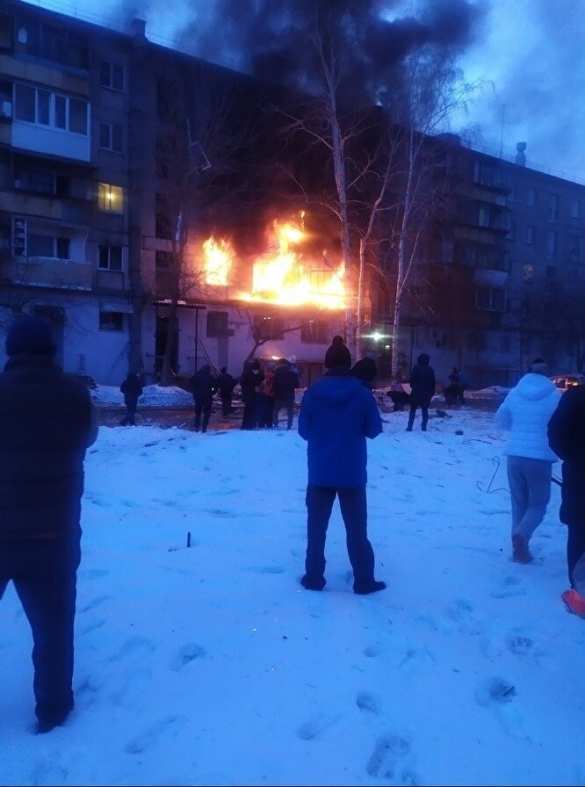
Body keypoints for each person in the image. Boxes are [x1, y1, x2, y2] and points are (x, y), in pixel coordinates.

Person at [0, 315, 98, 733]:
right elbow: (88, 437)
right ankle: (53, 708)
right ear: (51, 351)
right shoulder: (75, 395)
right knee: (54, 628)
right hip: (53, 536)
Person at [298, 336, 386, 595]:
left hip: (320, 472)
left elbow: (304, 431)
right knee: (357, 530)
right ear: (349, 364)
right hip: (352, 473)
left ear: (326, 364)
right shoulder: (361, 393)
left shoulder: (313, 393)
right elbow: (374, 430)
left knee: (316, 529)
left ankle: (314, 577)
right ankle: (364, 580)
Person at [495, 358, 560, 563]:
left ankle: (519, 551)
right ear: (547, 373)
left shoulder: (515, 393)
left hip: (514, 454)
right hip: (540, 457)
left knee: (518, 503)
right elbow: (561, 424)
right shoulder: (555, 396)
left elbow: (501, 419)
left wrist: (516, 430)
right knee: (538, 504)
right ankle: (522, 535)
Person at [548, 381, 585, 616]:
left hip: (580, 474)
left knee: (579, 528)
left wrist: (574, 459)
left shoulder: (576, 397)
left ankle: (580, 594)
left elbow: (555, 434)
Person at [407, 353, 436, 431]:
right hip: (426, 393)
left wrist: (413, 386)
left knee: (413, 409)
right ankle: (424, 427)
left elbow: (411, 380)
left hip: (416, 392)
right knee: (425, 410)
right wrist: (431, 392)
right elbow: (433, 382)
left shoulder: (416, 368)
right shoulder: (430, 369)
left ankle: (410, 426)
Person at [273, 358, 300, 430]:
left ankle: (275, 424)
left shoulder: (277, 372)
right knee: (290, 411)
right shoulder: (292, 372)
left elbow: (274, 384)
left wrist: (274, 391)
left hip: (279, 394)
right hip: (289, 394)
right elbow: (297, 385)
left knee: (276, 410)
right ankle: (289, 425)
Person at [191, 364, 217, 433]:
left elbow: (192, 385)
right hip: (207, 397)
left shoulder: (196, 376)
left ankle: (197, 427)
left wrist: (195, 393)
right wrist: (211, 392)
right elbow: (214, 387)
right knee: (207, 413)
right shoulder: (210, 377)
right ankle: (204, 428)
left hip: (198, 397)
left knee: (198, 412)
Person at [240, 359, 264, 430]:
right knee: (255, 410)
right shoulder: (261, 374)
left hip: (248, 394)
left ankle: (245, 425)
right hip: (257, 395)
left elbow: (242, 383)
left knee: (247, 410)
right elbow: (262, 383)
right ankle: (253, 424)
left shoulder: (247, 373)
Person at [258, 363, 276, 429]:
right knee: (269, 411)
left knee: (264, 410)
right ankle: (268, 424)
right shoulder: (273, 378)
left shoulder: (264, 379)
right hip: (270, 396)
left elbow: (261, 388)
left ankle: (262, 423)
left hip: (265, 396)